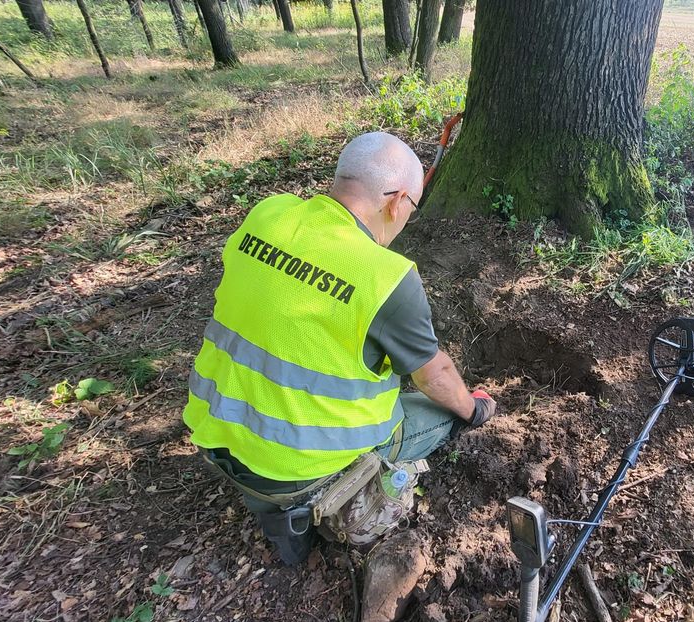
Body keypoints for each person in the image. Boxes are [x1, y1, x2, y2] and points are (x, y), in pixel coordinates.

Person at [183, 131, 497, 566]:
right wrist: (475, 410)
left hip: (217, 434)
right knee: (442, 413)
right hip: (293, 468)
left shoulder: (267, 215)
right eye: (412, 208)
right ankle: (316, 502)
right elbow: (435, 375)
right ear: (397, 200)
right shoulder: (385, 277)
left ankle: (272, 503)